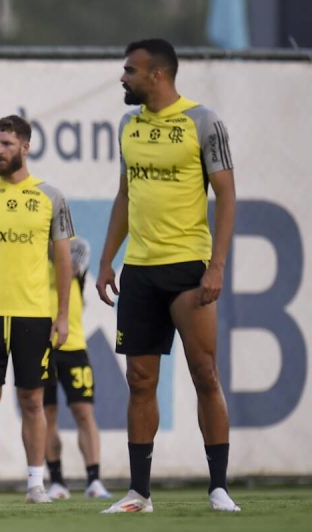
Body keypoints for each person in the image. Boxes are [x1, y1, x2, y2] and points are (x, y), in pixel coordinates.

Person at [95, 39, 239, 513]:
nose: (123, 78)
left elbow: (227, 195)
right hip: (140, 269)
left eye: (130, 71)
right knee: (140, 380)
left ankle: (218, 487)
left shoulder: (203, 122)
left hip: (188, 269)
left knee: (205, 373)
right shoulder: (127, 126)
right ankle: (140, 492)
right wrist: (105, 260)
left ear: (157, 75)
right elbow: (124, 197)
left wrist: (216, 265)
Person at [0, 115, 74, 505]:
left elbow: (63, 262)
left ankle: (36, 484)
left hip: (33, 314)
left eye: (5, 144)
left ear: (26, 146)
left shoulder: (51, 197)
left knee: (33, 400)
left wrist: (64, 314)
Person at [42, 236, 112, 501]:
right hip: (41, 346)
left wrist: (48, 244)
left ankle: (94, 480)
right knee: (46, 414)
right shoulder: (32, 248)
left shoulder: (75, 246)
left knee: (84, 412)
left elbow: (71, 265)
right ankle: (56, 481)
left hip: (73, 343)